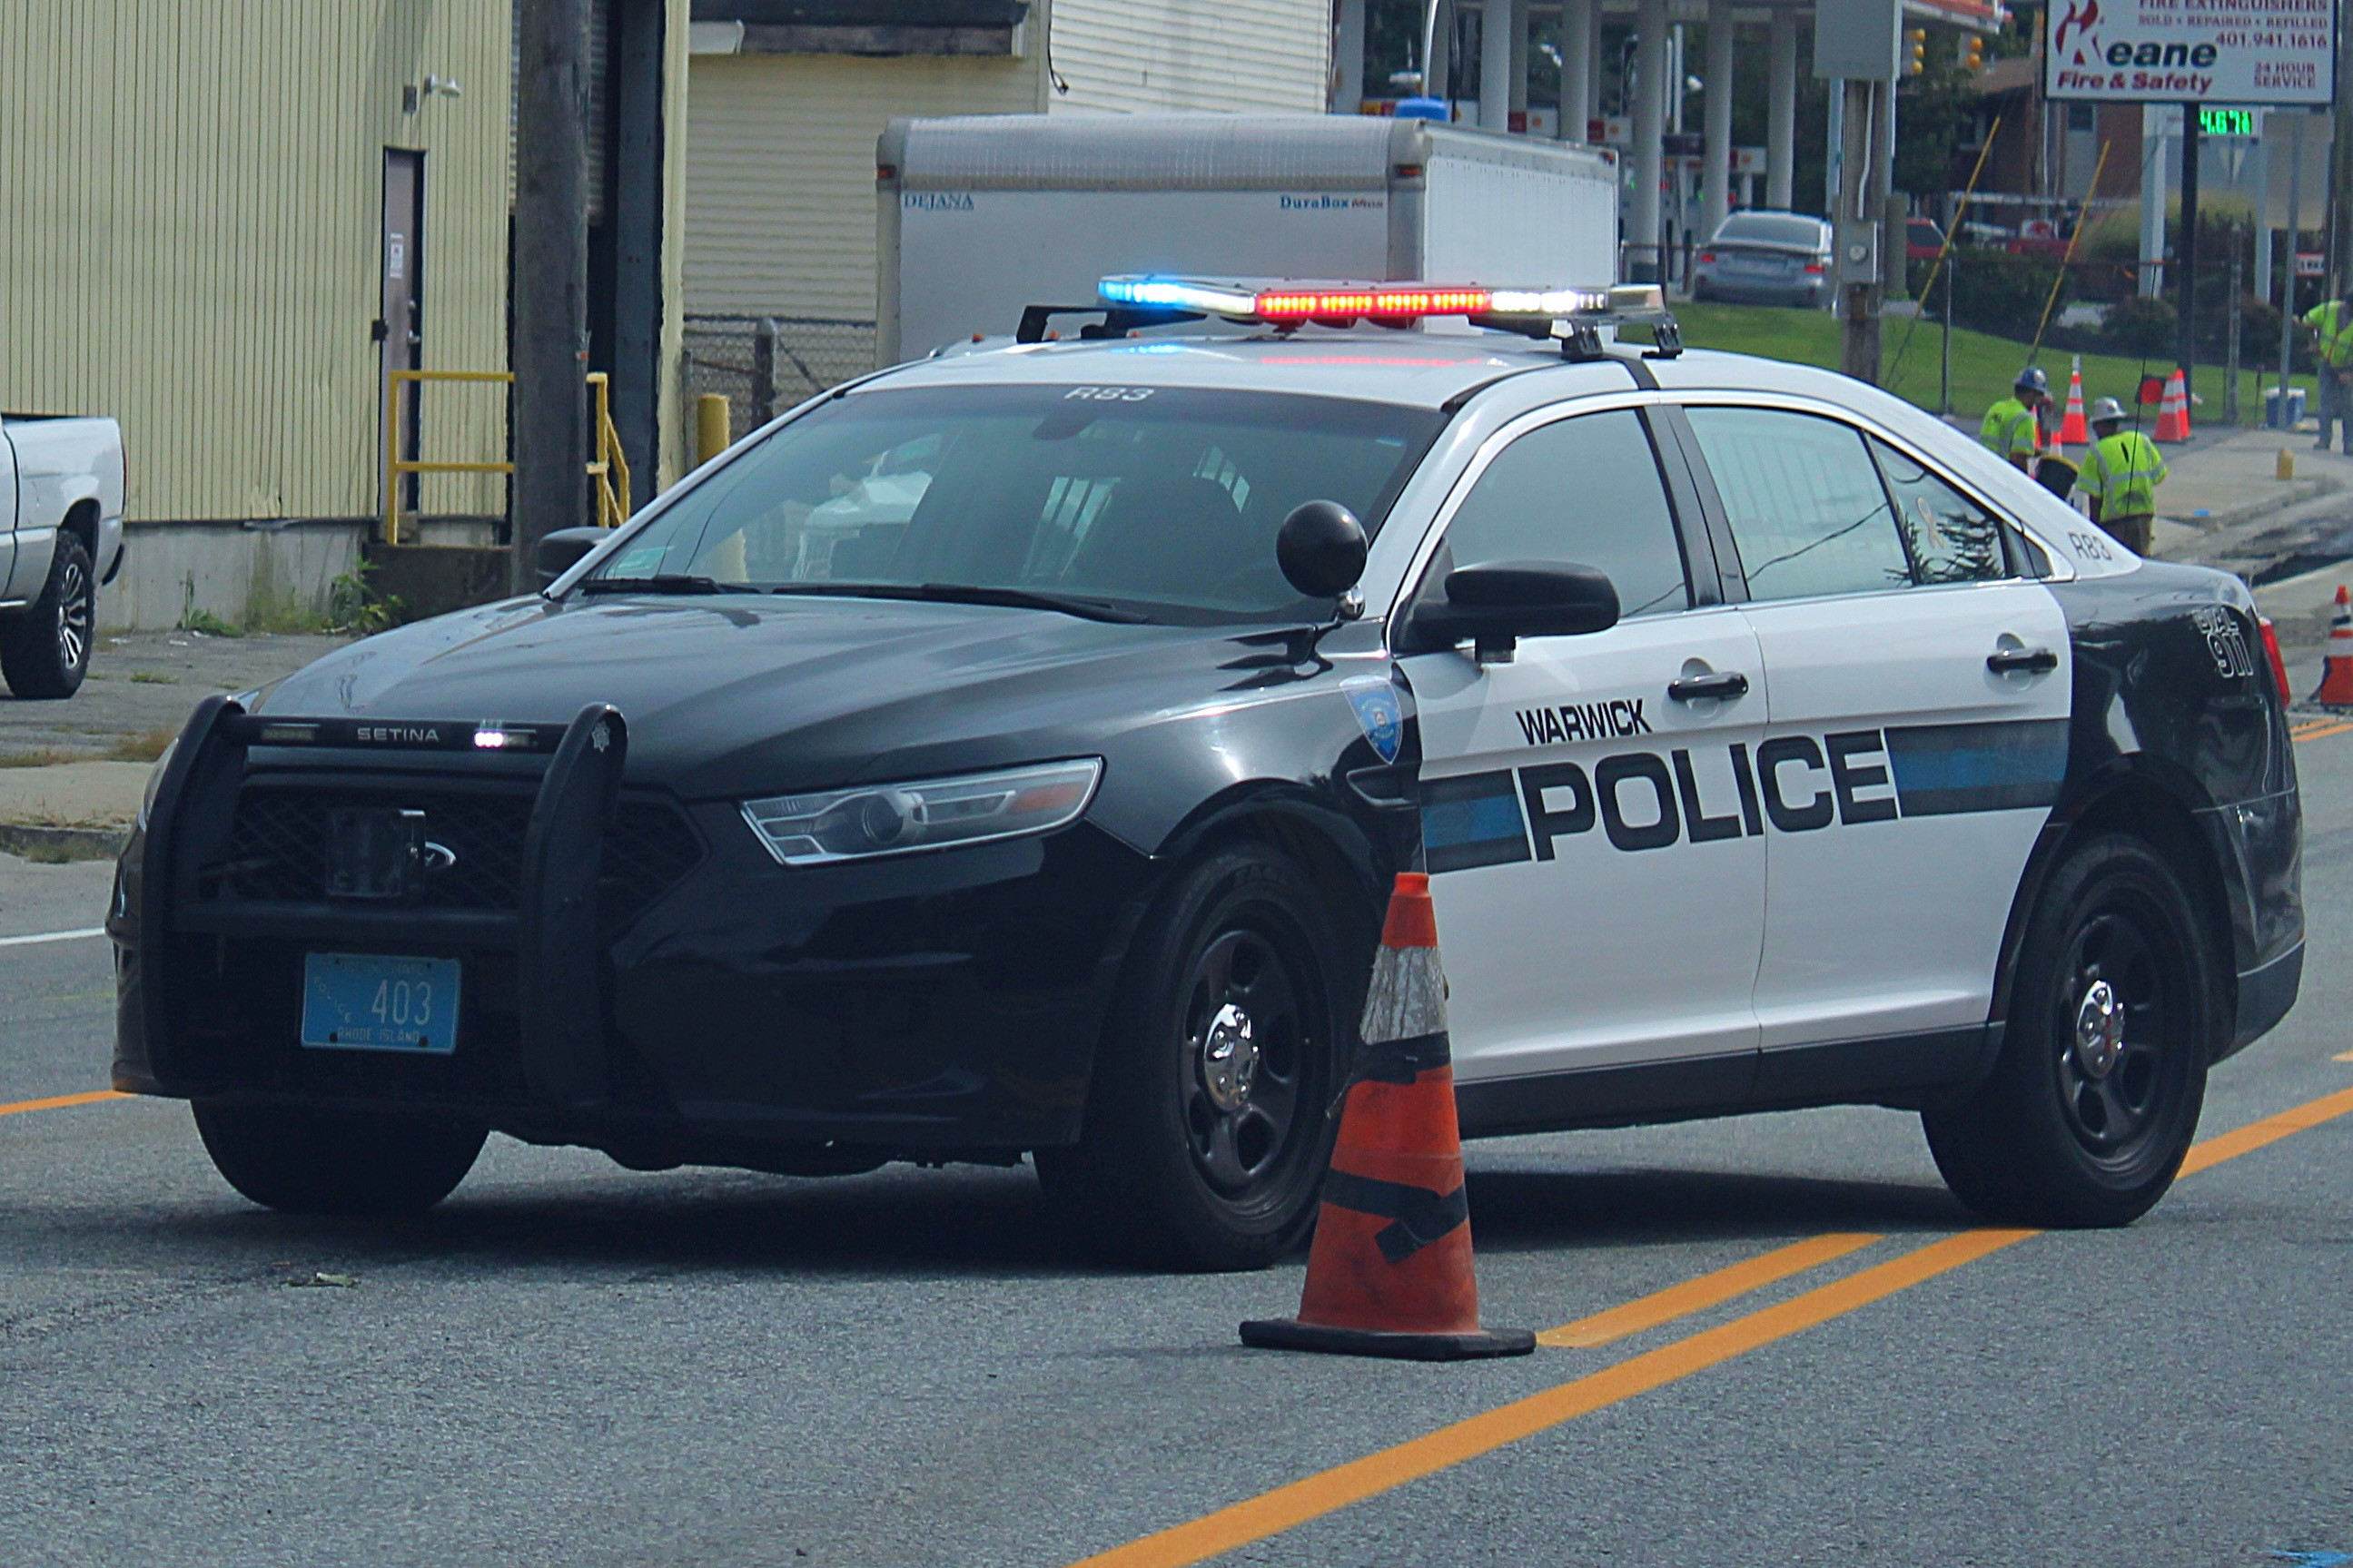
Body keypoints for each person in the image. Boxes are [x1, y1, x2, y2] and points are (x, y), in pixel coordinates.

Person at [2076, 396, 2166, 554]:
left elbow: (2094, 498)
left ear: (2099, 424)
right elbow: (2159, 476)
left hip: (2114, 523)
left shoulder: (2097, 452)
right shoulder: (2142, 440)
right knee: (2141, 563)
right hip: (2143, 516)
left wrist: (2094, 530)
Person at [2302, 291, 2353, 454]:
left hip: (2348, 368)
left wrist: (2348, 372)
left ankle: (2350, 444)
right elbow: (2307, 321)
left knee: (2349, 406)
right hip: (2326, 364)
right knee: (2325, 403)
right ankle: (2324, 440)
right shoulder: (2329, 310)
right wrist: (2313, 342)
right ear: (2346, 304)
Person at [1981, 367, 2050, 472]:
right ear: (2031, 393)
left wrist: (2034, 451)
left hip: (1982, 467)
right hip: (2002, 474)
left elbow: (2002, 441)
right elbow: (2018, 458)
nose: (2040, 399)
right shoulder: (2025, 418)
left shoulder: (1997, 407)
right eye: (2040, 394)